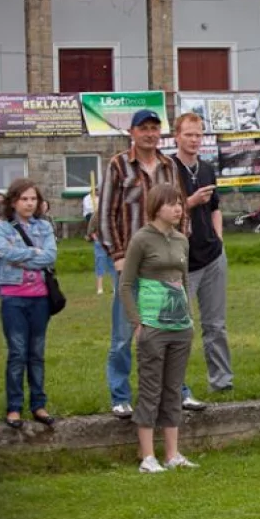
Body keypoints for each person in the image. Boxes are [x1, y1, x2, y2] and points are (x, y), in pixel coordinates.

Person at [99, 109, 184, 419]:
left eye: (154, 128)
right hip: (131, 261)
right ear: (132, 132)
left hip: (165, 261)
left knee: (171, 328)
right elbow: (106, 213)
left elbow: (179, 208)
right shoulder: (118, 165)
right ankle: (120, 395)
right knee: (124, 331)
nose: (150, 133)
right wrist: (118, 256)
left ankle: (177, 392)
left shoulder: (168, 165)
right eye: (143, 128)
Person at [119, 183, 198, 473]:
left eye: (180, 203)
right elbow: (126, 285)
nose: (178, 208)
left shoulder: (181, 239)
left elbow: (185, 279)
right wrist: (137, 322)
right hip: (153, 325)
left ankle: (172, 454)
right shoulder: (141, 239)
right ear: (156, 207)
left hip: (180, 326)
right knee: (151, 389)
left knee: (173, 388)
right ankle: (147, 456)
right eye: (171, 204)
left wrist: (189, 315)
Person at [171, 113, 234, 395]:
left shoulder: (207, 169)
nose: (195, 140)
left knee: (215, 325)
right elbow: (161, 211)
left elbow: (216, 207)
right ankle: (176, 386)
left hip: (212, 257)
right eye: (189, 135)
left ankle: (221, 382)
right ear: (177, 136)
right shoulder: (168, 169)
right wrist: (191, 202)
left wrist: (219, 240)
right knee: (180, 326)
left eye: (199, 135)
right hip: (182, 259)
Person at [0, 179, 58, 429]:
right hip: (13, 298)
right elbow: (4, 252)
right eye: (24, 199)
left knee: (36, 353)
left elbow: (51, 255)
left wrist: (25, 256)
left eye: (33, 199)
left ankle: (38, 404)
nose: (29, 203)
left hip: (40, 298)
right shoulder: (3, 228)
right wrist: (35, 254)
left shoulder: (44, 227)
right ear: (13, 202)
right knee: (17, 353)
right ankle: (14, 407)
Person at [86, 190, 112, 295]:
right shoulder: (96, 215)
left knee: (113, 265)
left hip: (111, 243)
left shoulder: (113, 214)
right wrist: (96, 238)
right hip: (100, 243)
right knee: (100, 263)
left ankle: (114, 287)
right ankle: (99, 288)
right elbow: (90, 230)